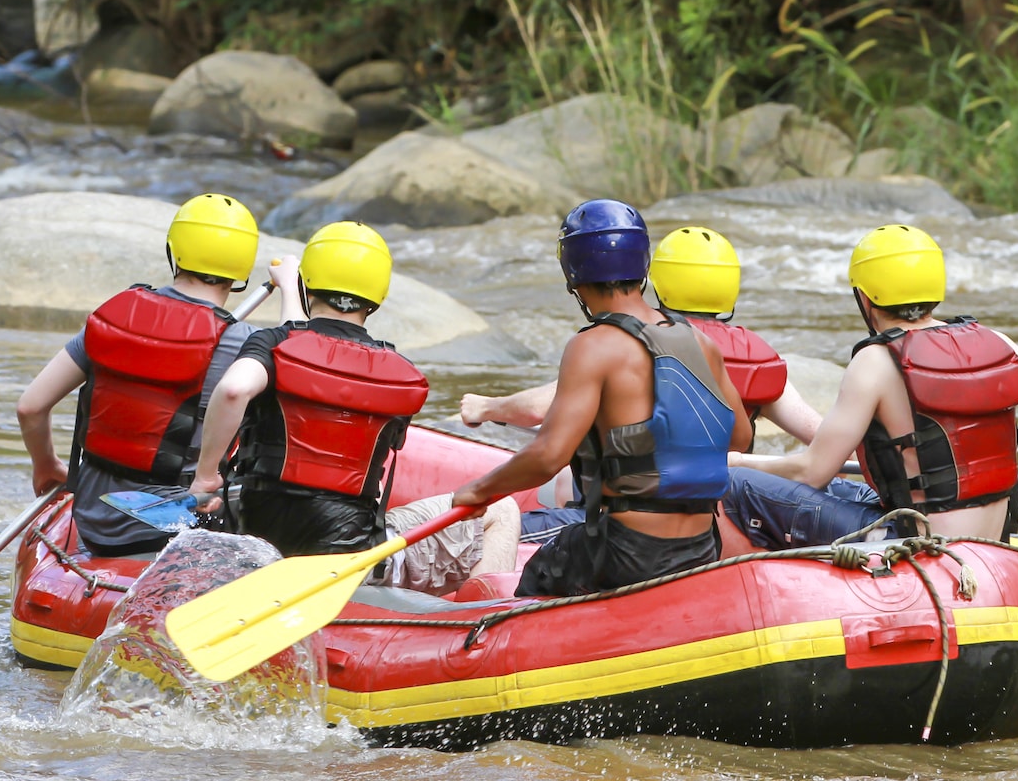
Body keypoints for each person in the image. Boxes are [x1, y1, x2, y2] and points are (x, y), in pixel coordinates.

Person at [726, 224, 1018, 545]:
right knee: (842, 493)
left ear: (864, 298)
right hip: (992, 540)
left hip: (913, 541)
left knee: (736, 484)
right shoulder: (995, 342)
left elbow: (812, 472)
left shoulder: (876, 361)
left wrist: (738, 462)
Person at [451, 201, 752, 597]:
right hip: (700, 547)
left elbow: (547, 456)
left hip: (628, 551)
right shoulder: (701, 342)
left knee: (543, 570)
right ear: (642, 265)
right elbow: (740, 438)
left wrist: (477, 492)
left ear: (574, 273)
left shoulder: (591, 346)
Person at [458, 224, 822, 541]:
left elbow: (545, 434)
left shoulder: (611, 347)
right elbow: (761, 439)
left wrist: (486, 419)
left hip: (623, 537)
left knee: (506, 536)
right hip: (704, 530)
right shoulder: (721, 351)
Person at [15, 193, 264, 556]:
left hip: (92, 517)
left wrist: (46, 466)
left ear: (173, 251)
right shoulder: (244, 343)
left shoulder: (116, 317)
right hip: (176, 525)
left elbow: (30, 407)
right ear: (243, 269)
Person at [190, 222, 437, 560]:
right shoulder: (399, 373)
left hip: (258, 530)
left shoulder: (275, 345)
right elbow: (319, 353)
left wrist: (206, 477)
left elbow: (234, 388)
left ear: (309, 285)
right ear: (377, 297)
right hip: (345, 550)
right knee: (499, 514)